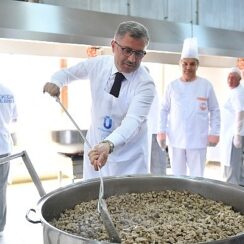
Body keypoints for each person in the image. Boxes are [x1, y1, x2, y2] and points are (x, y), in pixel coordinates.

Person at [43, 21, 155, 180]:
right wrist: (55, 82)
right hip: (95, 150)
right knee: (94, 199)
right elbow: (67, 74)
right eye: (127, 50)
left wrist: (108, 145)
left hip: (130, 159)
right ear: (113, 46)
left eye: (139, 53)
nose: (132, 59)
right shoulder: (98, 65)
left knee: (128, 202)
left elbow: (133, 122)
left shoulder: (145, 83)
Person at [157, 37, 220, 177]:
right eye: (185, 63)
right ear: (180, 64)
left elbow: (215, 110)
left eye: (192, 64)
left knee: (197, 177)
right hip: (176, 139)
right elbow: (163, 110)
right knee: (178, 177)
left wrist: (215, 132)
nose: (188, 67)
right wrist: (161, 132)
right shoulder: (172, 86)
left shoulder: (206, 85)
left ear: (197, 65)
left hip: (198, 140)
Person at [219, 67, 244, 186]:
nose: (230, 79)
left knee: (233, 165)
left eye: (233, 77)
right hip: (229, 134)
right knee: (234, 164)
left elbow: (240, 112)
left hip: (234, 135)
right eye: (229, 77)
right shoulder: (234, 91)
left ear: (240, 78)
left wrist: (238, 134)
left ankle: (233, 190)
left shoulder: (238, 93)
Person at [0, 84, 18, 235]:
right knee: (1, 189)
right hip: (3, 148)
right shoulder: (8, 92)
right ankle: (0, 226)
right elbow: (13, 119)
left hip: (4, 147)